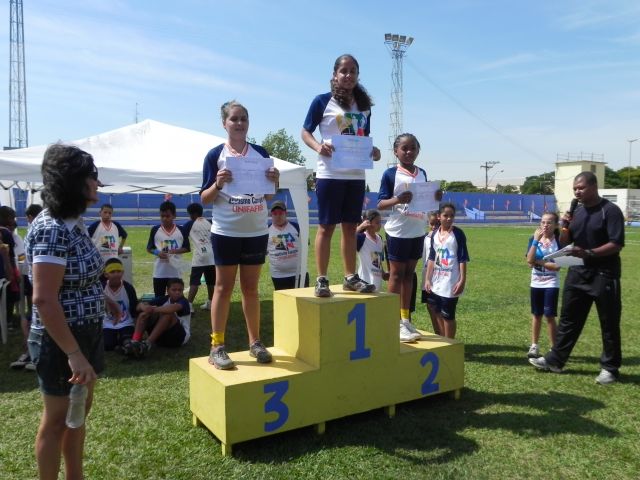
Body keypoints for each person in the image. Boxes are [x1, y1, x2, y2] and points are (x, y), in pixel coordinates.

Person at [25, 144, 119, 480]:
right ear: (73, 182)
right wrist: (74, 355)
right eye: (92, 176)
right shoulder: (51, 228)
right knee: (56, 422)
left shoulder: (73, 223)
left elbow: (78, 278)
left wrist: (103, 298)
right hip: (61, 341)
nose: (97, 182)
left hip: (83, 333)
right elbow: (44, 300)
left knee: (77, 415)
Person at [200, 100, 279, 370]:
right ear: (224, 123)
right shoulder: (215, 155)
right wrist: (218, 183)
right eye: (234, 119)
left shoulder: (260, 153)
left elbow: (268, 196)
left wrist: (275, 180)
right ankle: (217, 346)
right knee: (223, 288)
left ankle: (255, 342)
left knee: (251, 289)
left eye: (243, 118)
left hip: (256, 230)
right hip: (227, 231)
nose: (239, 123)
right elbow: (205, 198)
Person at [529, 172, 625, 385]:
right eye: (575, 189)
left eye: (581, 188)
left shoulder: (610, 211)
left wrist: (589, 253)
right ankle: (556, 360)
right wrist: (564, 225)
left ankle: (610, 368)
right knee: (568, 319)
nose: (577, 192)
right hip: (577, 273)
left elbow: (616, 243)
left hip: (604, 274)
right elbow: (565, 242)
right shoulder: (577, 212)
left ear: (594, 187)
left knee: (609, 323)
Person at [301, 53, 381, 298]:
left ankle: (350, 277)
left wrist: (373, 151)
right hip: (329, 174)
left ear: (358, 75)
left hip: (356, 176)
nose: (348, 75)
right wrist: (318, 147)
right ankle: (322, 279)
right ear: (335, 75)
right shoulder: (322, 101)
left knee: (350, 228)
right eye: (343, 71)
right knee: (326, 227)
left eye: (352, 71)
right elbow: (305, 132)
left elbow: (363, 138)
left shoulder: (364, 106)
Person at [377, 133, 431, 343]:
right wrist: (397, 200)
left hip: (417, 230)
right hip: (398, 231)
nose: (409, 152)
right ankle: (393, 322)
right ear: (395, 151)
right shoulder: (390, 174)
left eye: (413, 148)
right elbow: (380, 204)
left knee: (409, 275)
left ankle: (405, 319)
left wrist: (435, 197)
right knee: (396, 276)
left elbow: (426, 199)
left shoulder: (422, 173)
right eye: (404, 148)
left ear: (418, 150)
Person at [424, 203, 469, 339]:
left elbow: (462, 258)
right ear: (439, 216)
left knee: (448, 315)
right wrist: (427, 279)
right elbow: (432, 258)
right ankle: (443, 339)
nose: (449, 218)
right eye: (445, 215)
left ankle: (450, 343)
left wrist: (462, 280)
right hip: (436, 281)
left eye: (452, 216)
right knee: (437, 311)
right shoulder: (434, 234)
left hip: (450, 282)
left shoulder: (458, 234)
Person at [10, 203, 43, 370]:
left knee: (36, 315)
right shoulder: (31, 232)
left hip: (43, 280)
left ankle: (36, 354)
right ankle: (30, 351)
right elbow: (24, 256)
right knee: (29, 317)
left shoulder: (38, 230)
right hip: (34, 277)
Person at [126, 277, 191, 358]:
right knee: (144, 314)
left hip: (179, 338)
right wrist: (144, 307)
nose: (177, 292)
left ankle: (147, 344)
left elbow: (173, 308)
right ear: (168, 290)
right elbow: (139, 306)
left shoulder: (184, 301)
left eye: (180, 290)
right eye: (174, 290)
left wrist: (152, 310)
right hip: (162, 336)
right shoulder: (164, 299)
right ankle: (135, 342)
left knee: (168, 314)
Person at [525, 212, 560, 358]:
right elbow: (529, 261)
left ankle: (555, 349)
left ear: (556, 225)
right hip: (536, 283)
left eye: (549, 222)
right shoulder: (533, 239)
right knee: (536, 315)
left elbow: (557, 266)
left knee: (550, 316)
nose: (545, 225)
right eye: (543, 222)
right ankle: (534, 346)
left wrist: (538, 261)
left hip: (551, 283)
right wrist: (535, 241)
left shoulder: (558, 241)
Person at [146, 201, 190, 298]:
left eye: (167, 216)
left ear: (174, 215)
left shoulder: (181, 230)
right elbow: (149, 248)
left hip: (175, 272)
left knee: (176, 298)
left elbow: (187, 248)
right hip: (159, 272)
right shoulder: (155, 230)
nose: (164, 219)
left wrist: (174, 251)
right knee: (159, 298)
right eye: (162, 216)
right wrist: (157, 252)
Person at [267, 200, 309, 290]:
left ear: (286, 213)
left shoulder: (296, 227)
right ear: (271, 215)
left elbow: (306, 245)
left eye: (280, 213)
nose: (278, 216)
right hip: (278, 275)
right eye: (275, 213)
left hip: (299, 273)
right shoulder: (266, 230)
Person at [182, 202, 215, 311]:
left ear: (193, 214)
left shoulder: (189, 224)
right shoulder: (210, 222)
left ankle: (189, 306)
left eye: (189, 214)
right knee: (211, 281)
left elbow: (182, 236)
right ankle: (211, 303)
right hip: (212, 255)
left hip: (199, 256)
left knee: (194, 282)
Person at [102, 257, 138, 351]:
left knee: (127, 340)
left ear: (122, 272)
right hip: (108, 324)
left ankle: (125, 345)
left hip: (126, 323)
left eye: (119, 271)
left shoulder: (128, 288)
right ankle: (119, 347)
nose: (116, 274)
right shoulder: (101, 287)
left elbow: (134, 306)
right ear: (106, 274)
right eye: (112, 272)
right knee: (107, 345)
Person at [355, 209, 388, 292]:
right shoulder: (361, 237)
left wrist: (383, 274)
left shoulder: (380, 238)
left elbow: (377, 260)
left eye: (380, 222)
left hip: (377, 282)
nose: (380, 225)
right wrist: (360, 227)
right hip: (364, 281)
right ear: (367, 222)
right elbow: (348, 239)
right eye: (377, 222)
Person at [421, 211, 441, 334]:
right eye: (431, 224)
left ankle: (444, 335)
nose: (434, 227)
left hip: (439, 276)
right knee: (430, 306)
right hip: (426, 277)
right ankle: (438, 333)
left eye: (436, 224)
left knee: (438, 307)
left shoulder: (442, 237)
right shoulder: (425, 238)